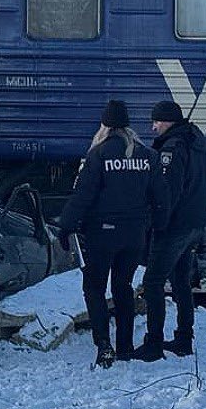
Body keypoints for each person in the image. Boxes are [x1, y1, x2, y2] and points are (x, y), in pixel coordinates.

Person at [58, 100, 168, 368]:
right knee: (123, 287)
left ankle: (104, 346)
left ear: (104, 126)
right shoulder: (148, 156)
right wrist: (158, 227)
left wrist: (66, 226)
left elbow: (83, 196)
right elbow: (160, 197)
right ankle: (125, 346)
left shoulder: (98, 155)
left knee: (94, 288)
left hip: (102, 234)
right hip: (134, 235)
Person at [135, 99, 206, 361]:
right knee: (181, 281)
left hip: (175, 226)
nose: (153, 127)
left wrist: (155, 223)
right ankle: (183, 339)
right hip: (194, 223)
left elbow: (168, 192)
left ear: (168, 121)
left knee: (153, 282)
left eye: (156, 121)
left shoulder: (173, 148)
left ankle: (154, 344)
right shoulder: (197, 141)